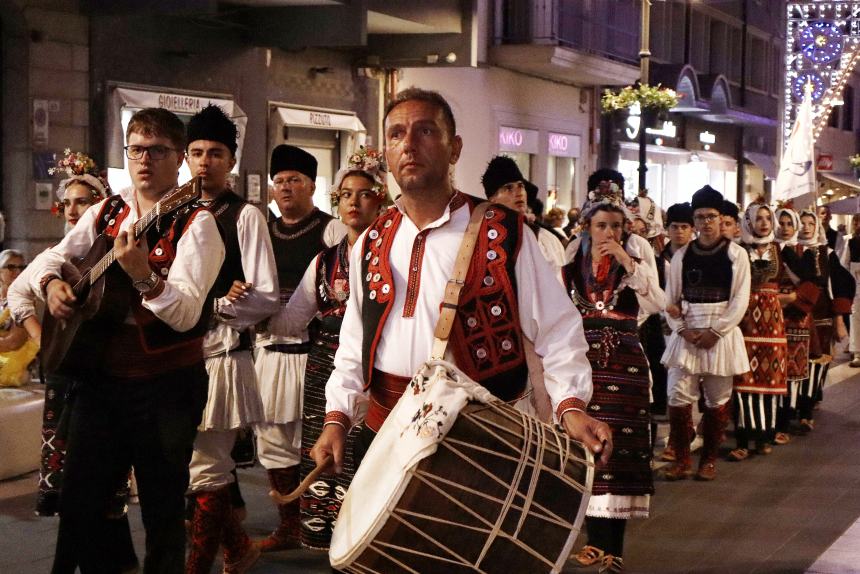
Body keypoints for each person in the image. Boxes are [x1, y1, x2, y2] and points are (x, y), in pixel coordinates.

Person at [311, 87, 612, 485]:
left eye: (425, 132)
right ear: (386, 154)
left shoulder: (505, 232)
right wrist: (338, 416)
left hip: (482, 437)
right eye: (397, 135)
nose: (409, 145)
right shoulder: (371, 240)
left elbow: (558, 329)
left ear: (454, 148)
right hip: (385, 432)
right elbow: (354, 342)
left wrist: (571, 406)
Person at [30, 108, 224, 572]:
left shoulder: (197, 223)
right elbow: (48, 260)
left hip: (167, 386)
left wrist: (144, 278)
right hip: (101, 379)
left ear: (178, 159)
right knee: (79, 499)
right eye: (136, 149)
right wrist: (53, 285)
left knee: (161, 507)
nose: (144, 160)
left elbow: (184, 315)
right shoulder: (107, 210)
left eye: (157, 151)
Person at [267, 147, 387, 549]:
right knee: (324, 445)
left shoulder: (395, 256)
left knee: (367, 454)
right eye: (347, 195)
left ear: (380, 200)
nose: (354, 201)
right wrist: (241, 306)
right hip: (326, 365)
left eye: (364, 193)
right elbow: (291, 319)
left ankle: (366, 537)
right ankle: (326, 534)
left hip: (377, 368)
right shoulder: (324, 261)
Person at [182, 105, 277, 573]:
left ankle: (199, 565)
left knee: (207, 468)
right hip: (171, 356)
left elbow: (266, 298)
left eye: (215, 153)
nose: (205, 162)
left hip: (220, 356)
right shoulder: (172, 211)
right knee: (185, 465)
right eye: (196, 152)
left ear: (231, 160)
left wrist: (217, 305)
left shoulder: (245, 216)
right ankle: (238, 548)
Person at [564, 186, 664, 574]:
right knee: (588, 447)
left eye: (616, 226)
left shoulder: (639, 256)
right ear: (587, 226)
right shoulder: (573, 259)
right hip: (585, 361)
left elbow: (656, 303)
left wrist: (628, 262)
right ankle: (593, 541)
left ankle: (614, 548)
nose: (608, 232)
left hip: (625, 362)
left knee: (619, 452)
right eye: (601, 225)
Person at [254, 144, 347, 552]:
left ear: (312, 185)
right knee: (273, 442)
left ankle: (329, 527)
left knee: (318, 441)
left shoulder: (332, 231)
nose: (285, 188)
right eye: (279, 182)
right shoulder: (261, 230)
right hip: (269, 349)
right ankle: (289, 524)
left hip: (316, 352)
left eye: (294, 180)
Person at [661, 185, 750, 481]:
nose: (705, 222)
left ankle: (708, 459)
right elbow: (670, 300)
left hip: (720, 333)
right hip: (687, 332)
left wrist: (717, 331)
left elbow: (740, 300)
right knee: (677, 393)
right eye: (699, 217)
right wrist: (681, 329)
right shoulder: (681, 257)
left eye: (711, 216)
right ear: (694, 220)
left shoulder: (736, 255)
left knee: (717, 397)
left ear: (721, 217)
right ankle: (683, 459)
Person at [727, 200, 788, 461]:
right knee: (743, 378)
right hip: (746, 318)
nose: (764, 223)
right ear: (749, 222)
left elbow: (803, 277)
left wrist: (792, 296)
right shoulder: (738, 250)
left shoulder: (779, 249)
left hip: (773, 320)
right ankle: (742, 438)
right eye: (758, 218)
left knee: (769, 377)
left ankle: (765, 436)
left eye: (767, 218)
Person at [795, 207, 851, 432]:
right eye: (802, 223)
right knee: (795, 364)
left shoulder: (826, 254)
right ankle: (796, 406)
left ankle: (807, 408)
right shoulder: (788, 250)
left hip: (821, 316)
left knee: (816, 364)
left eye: (811, 224)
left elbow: (839, 285)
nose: (806, 228)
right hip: (795, 316)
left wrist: (839, 320)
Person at [773, 204, 817, 444]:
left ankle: (789, 418)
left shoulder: (805, 252)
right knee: (774, 369)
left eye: (790, 223)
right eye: (782, 222)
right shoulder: (767, 250)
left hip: (797, 317)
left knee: (794, 371)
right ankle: (775, 420)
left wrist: (793, 300)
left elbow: (812, 284)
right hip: (770, 315)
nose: (786, 228)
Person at [654, 202, 694, 462]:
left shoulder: (698, 257)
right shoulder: (659, 260)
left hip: (692, 327)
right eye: (674, 227)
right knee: (672, 385)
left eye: (684, 227)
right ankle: (678, 439)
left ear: (692, 230)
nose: (679, 232)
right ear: (667, 229)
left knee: (689, 383)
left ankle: (684, 436)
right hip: (664, 327)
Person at [480, 156, 566, 268]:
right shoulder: (483, 238)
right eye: (509, 188)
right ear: (493, 199)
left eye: (521, 186)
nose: (519, 192)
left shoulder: (545, 239)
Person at [0, 250, 38, 387]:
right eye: (11, 267)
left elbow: (15, 341)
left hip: (14, 361)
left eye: (22, 267)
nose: (18, 271)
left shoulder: (24, 301)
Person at [839, 213, 860, 367]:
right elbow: (844, 265)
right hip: (857, 283)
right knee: (856, 317)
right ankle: (857, 352)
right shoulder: (851, 242)